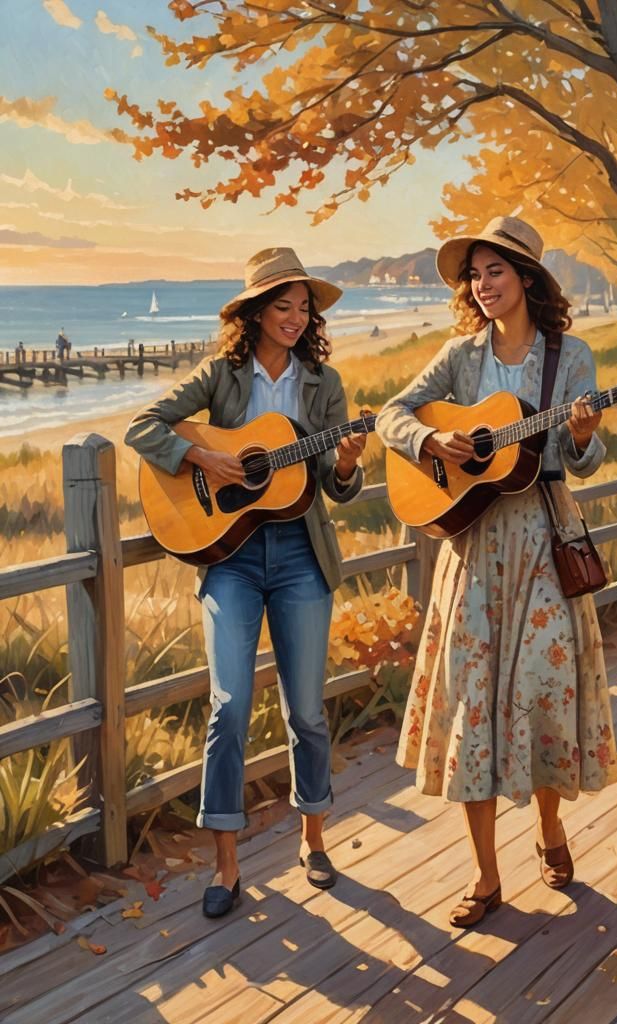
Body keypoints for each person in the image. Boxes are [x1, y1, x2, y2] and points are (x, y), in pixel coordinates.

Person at [376, 215, 617, 928]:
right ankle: (485, 877)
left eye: (496, 272)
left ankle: (549, 826)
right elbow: (393, 414)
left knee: (544, 689)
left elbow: (583, 463)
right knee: (473, 702)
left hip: (546, 537)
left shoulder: (569, 358)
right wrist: (431, 438)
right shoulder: (458, 357)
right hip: (475, 549)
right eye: (474, 274)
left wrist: (582, 436)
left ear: (527, 281)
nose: (482, 286)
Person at [125, 247, 366, 918]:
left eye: (302, 308)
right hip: (228, 558)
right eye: (281, 306)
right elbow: (142, 426)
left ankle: (314, 840)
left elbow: (337, 489)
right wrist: (202, 456)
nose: (294, 318)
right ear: (255, 313)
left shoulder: (324, 385)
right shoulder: (219, 376)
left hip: (299, 556)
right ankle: (227, 866)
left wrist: (347, 462)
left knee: (307, 712)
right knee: (229, 707)